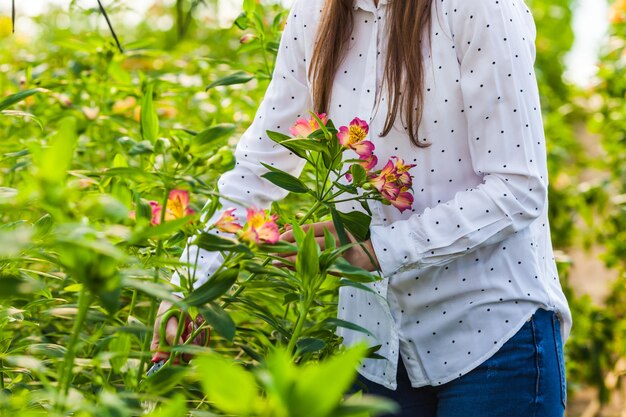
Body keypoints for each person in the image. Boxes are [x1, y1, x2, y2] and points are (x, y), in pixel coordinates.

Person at [152, 0, 572, 415]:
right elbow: (258, 168)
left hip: (491, 338)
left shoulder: (478, 7)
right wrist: (188, 289)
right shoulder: (313, 14)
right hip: (375, 347)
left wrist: (378, 249)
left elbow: (517, 188)